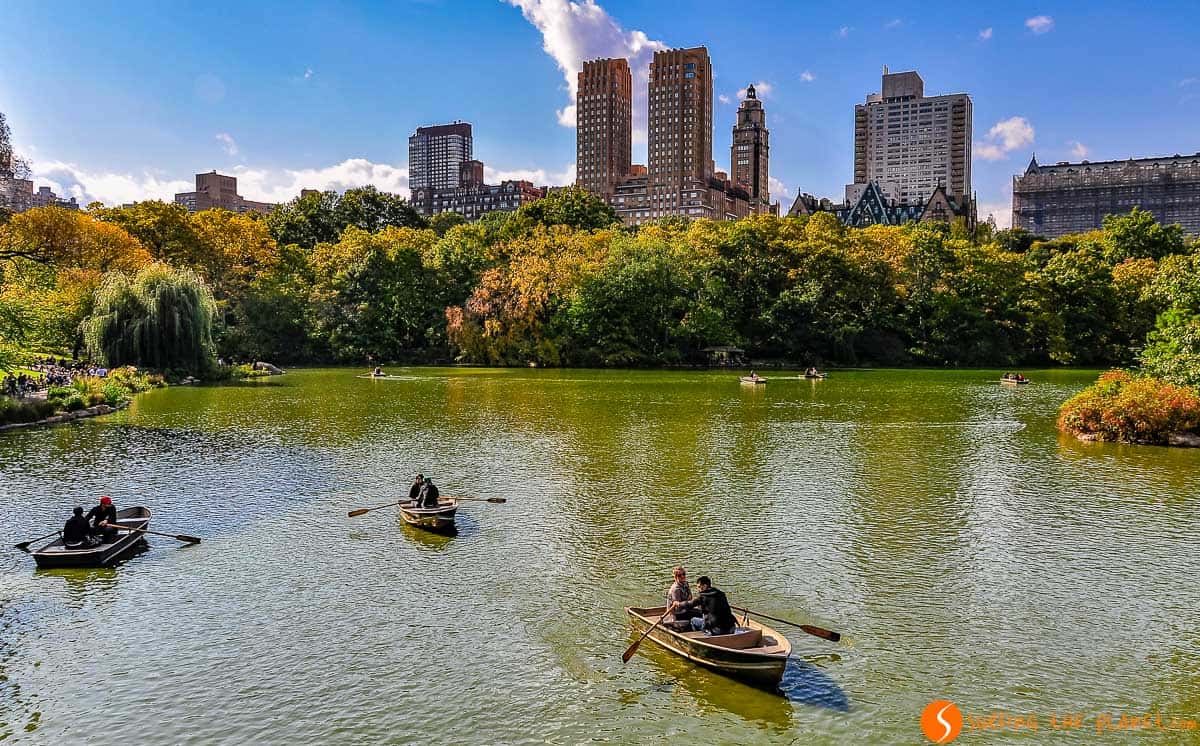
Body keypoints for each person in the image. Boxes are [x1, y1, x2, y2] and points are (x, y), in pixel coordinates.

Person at [672, 576, 737, 636]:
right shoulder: (721, 594)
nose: (698, 589)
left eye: (699, 587)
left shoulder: (703, 596)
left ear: (705, 586)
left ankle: (700, 637)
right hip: (731, 628)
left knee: (693, 620)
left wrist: (678, 604)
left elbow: (689, 604)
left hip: (717, 630)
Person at [664, 566, 695, 631]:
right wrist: (686, 602)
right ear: (675, 577)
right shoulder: (675, 589)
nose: (682, 576)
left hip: (685, 608)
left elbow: (690, 597)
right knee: (697, 616)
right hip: (677, 613)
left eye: (684, 574)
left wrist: (686, 602)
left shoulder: (686, 584)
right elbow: (678, 607)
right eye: (679, 575)